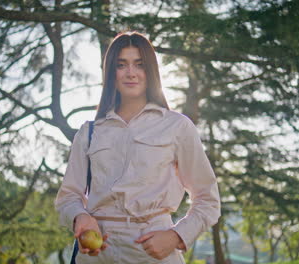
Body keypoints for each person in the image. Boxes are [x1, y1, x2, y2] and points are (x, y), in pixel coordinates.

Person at [55, 31, 221, 264]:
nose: (131, 73)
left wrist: (176, 236)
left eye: (139, 64)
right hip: (98, 255)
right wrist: (80, 217)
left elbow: (208, 199)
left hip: (154, 252)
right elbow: (68, 197)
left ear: (151, 71)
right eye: (121, 65)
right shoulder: (89, 132)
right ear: (111, 72)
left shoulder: (177, 126)